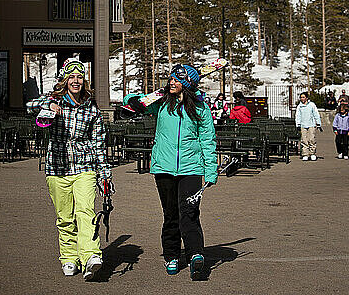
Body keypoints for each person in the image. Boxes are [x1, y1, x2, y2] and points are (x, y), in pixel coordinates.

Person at [123, 64, 217, 280]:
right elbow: (130, 101)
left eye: (176, 79)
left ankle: (195, 255)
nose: (171, 81)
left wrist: (211, 170)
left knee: (190, 213)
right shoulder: (162, 103)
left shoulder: (201, 108)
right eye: (171, 78)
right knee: (171, 214)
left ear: (186, 84)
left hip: (191, 168)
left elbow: (208, 140)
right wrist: (136, 99)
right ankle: (172, 255)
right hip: (164, 168)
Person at [26, 58, 113, 280]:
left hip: (84, 167)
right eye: (72, 77)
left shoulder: (91, 110)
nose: (76, 81)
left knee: (86, 212)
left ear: (85, 81)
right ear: (65, 80)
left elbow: (98, 143)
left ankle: (91, 256)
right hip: (57, 168)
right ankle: (69, 258)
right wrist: (48, 106)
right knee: (65, 217)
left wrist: (105, 175)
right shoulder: (54, 101)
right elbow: (30, 106)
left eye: (80, 77)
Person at [295, 92, 321, 161]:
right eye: (301, 97)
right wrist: (298, 124)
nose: (302, 99)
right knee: (304, 140)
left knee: (312, 139)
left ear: (306, 98)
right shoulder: (299, 106)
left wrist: (318, 123)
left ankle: (312, 153)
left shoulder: (312, 105)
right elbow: (298, 116)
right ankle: (305, 154)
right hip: (303, 125)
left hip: (311, 124)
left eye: (303, 97)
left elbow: (316, 114)